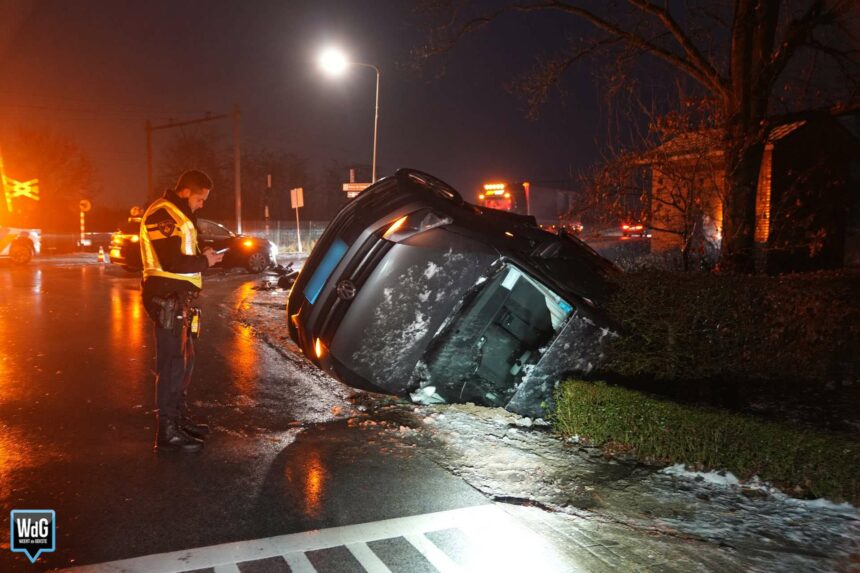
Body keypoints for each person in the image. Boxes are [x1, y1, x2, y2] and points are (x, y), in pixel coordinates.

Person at [140, 170, 224, 452]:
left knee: (184, 362)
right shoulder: (162, 214)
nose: (202, 204)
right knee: (172, 363)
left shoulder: (179, 215)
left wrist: (204, 254)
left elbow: (182, 254)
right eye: (200, 198)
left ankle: (178, 419)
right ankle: (167, 431)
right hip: (166, 296)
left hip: (179, 298)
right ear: (186, 192)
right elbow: (172, 261)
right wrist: (205, 261)